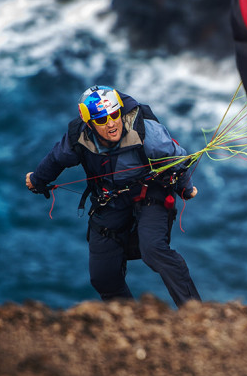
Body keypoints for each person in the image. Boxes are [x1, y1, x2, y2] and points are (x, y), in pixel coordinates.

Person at [26, 85, 201, 306]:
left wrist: (185, 189)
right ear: (89, 123)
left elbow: (178, 160)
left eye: (114, 115)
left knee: (154, 250)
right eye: (101, 119)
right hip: (110, 199)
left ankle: (194, 311)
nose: (111, 123)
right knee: (103, 276)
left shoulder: (148, 134)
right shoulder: (78, 139)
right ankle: (132, 325)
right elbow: (56, 159)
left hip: (151, 192)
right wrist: (37, 180)